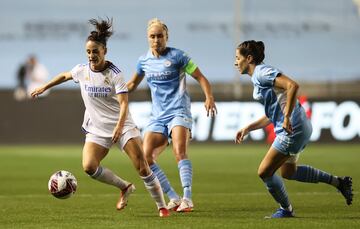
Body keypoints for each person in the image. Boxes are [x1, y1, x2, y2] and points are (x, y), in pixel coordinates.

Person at [31, 18, 169, 217]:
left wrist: (119, 127)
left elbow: (123, 103)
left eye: (95, 51)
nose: (91, 55)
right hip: (97, 127)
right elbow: (64, 75)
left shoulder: (114, 74)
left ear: (104, 51)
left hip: (122, 125)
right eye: (88, 52)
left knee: (142, 167)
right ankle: (124, 187)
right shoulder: (82, 70)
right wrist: (45, 86)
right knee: (89, 166)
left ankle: (162, 206)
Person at [234, 40, 353, 218]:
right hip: (298, 126)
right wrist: (248, 127)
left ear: (249, 58)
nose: (235, 62)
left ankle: (286, 210)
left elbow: (292, 85)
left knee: (264, 171)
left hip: (293, 128)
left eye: (237, 58)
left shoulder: (261, 72)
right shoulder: (258, 77)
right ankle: (339, 183)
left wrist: (287, 117)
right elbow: (272, 113)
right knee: (289, 172)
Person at [127, 18, 217, 212]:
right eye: (152, 36)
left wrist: (209, 97)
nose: (156, 40)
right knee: (146, 158)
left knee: (179, 151)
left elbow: (201, 77)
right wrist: (115, 94)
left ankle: (188, 198)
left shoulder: (179, 57)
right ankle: (173, 197)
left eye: (160, 36)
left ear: (166, 37)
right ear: (147, 38)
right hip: (158, 116)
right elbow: (132, 84)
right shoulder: (143, 61)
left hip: (179, 111)